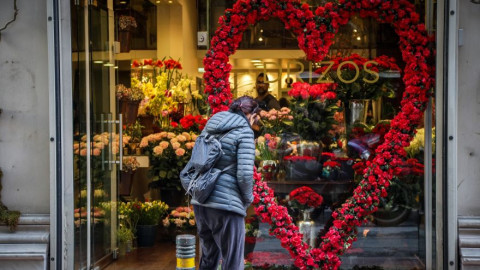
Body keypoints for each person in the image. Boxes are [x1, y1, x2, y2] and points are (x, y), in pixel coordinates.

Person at [192, 96, 259, 270]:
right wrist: (247, 198)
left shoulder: (211, 124)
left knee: (208, 259)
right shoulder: (245, 131)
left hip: (201, 200)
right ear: (250, 114)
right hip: (227, 205)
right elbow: (245, 175)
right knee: (232, 262)